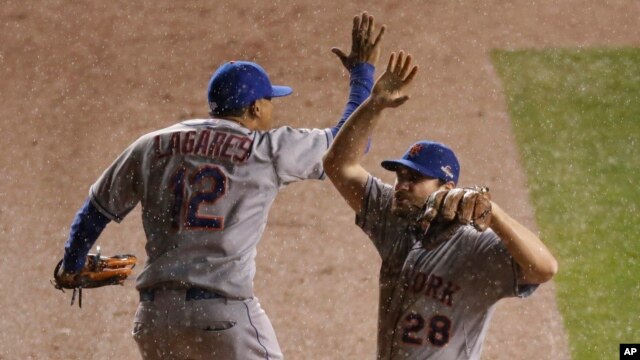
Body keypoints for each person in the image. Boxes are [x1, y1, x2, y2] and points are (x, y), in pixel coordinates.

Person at [57, 12, 384, 360]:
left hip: (155, 320)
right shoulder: (266, 150)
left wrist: (73, 264)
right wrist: (362, 76)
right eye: (271, 101)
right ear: (256, 107)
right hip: (221, 318)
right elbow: (350, 146)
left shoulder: (151, 146)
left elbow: (95, 210)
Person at [322, 51, 558, 359]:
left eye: (415, 178)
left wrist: (494, 214)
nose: (401, 184)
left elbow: (545, 268)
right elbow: (339, 166)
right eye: (400, 175)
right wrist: (374, 104)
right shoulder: (394, 216)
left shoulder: (475, 246)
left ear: (446, 188)